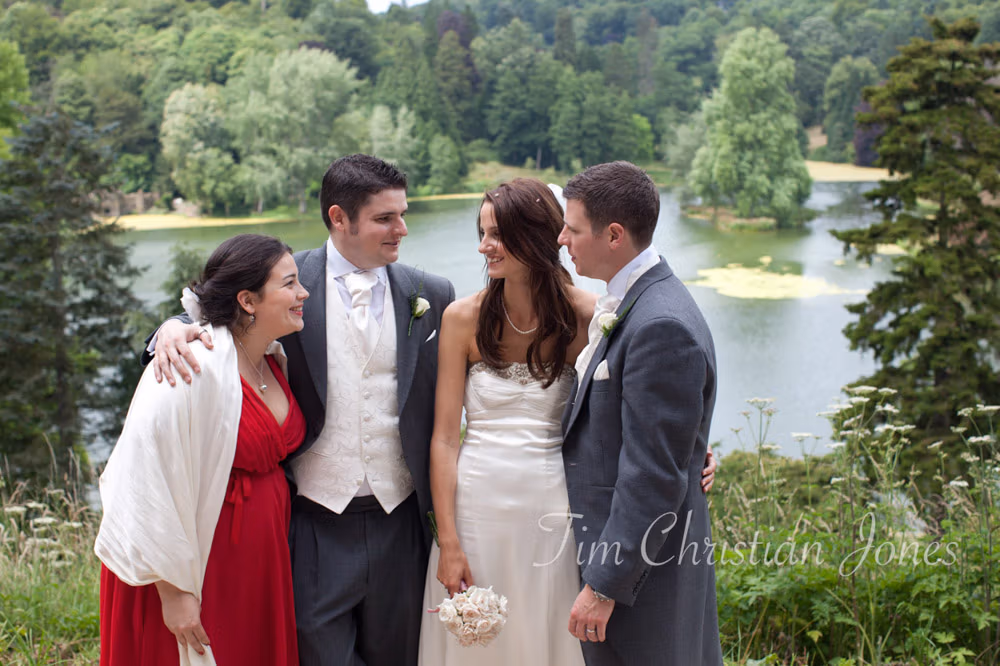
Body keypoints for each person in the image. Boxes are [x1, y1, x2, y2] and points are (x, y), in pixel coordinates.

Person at [148, 155, 455, 666]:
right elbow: (223, 308)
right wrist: (171, 328)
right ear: (339, 218)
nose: (401, 229)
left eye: (402, 214)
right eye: (385, 218)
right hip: (312, 521)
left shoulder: (432, 294)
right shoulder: (288, 281)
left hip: (401, 522)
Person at [418, 179, 717, 666]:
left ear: (537, 237)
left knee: (550, 639)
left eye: (497, 234)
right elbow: (445, 438)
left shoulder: (590, 316)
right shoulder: (461, 317)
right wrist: (448, 541)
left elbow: (635, 413)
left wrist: (694, 452)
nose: (483, 246)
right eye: (482, 232)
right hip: (475, 508)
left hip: (557, 513)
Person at [96, 233, 309, 666]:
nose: (304, 293)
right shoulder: (189, 362)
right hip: (196, 559)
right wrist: (174, 592)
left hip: (260, 558)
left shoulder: (271, 358)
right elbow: (142, 474)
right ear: (247, 301)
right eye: (289, 284)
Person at [557, 161, 723, 665]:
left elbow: (652, 475)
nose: (562, 239)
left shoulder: (659, 324)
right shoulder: (638, 301)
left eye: (572, 229)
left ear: (614, 235)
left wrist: (605, 585)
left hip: (644, 584)